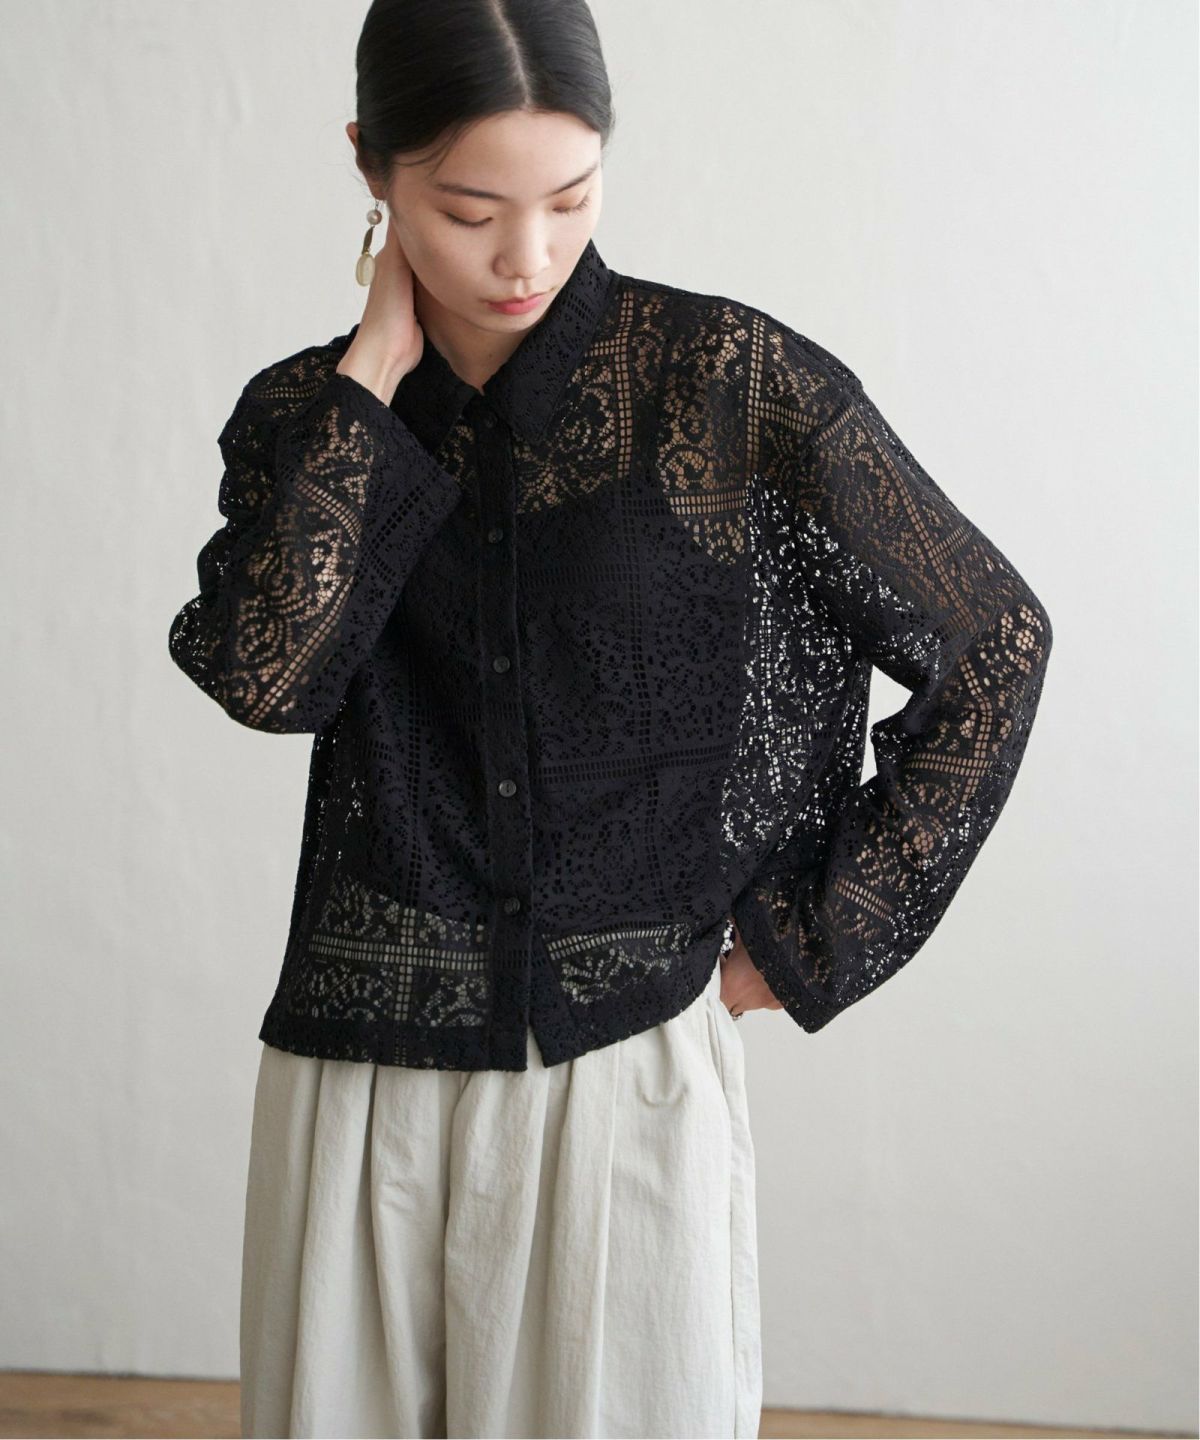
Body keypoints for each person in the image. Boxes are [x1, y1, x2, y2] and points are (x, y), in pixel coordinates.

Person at [167, 1, 1053, 1436]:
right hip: (360, 1087)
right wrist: (373, 375)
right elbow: (269, 678)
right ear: (373, 167)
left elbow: (993, 642)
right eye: (468, 212)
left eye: (571, 198)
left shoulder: (729, 386)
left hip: (623, 1070)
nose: (526, 256)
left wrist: (804, 943)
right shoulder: (307, 419)